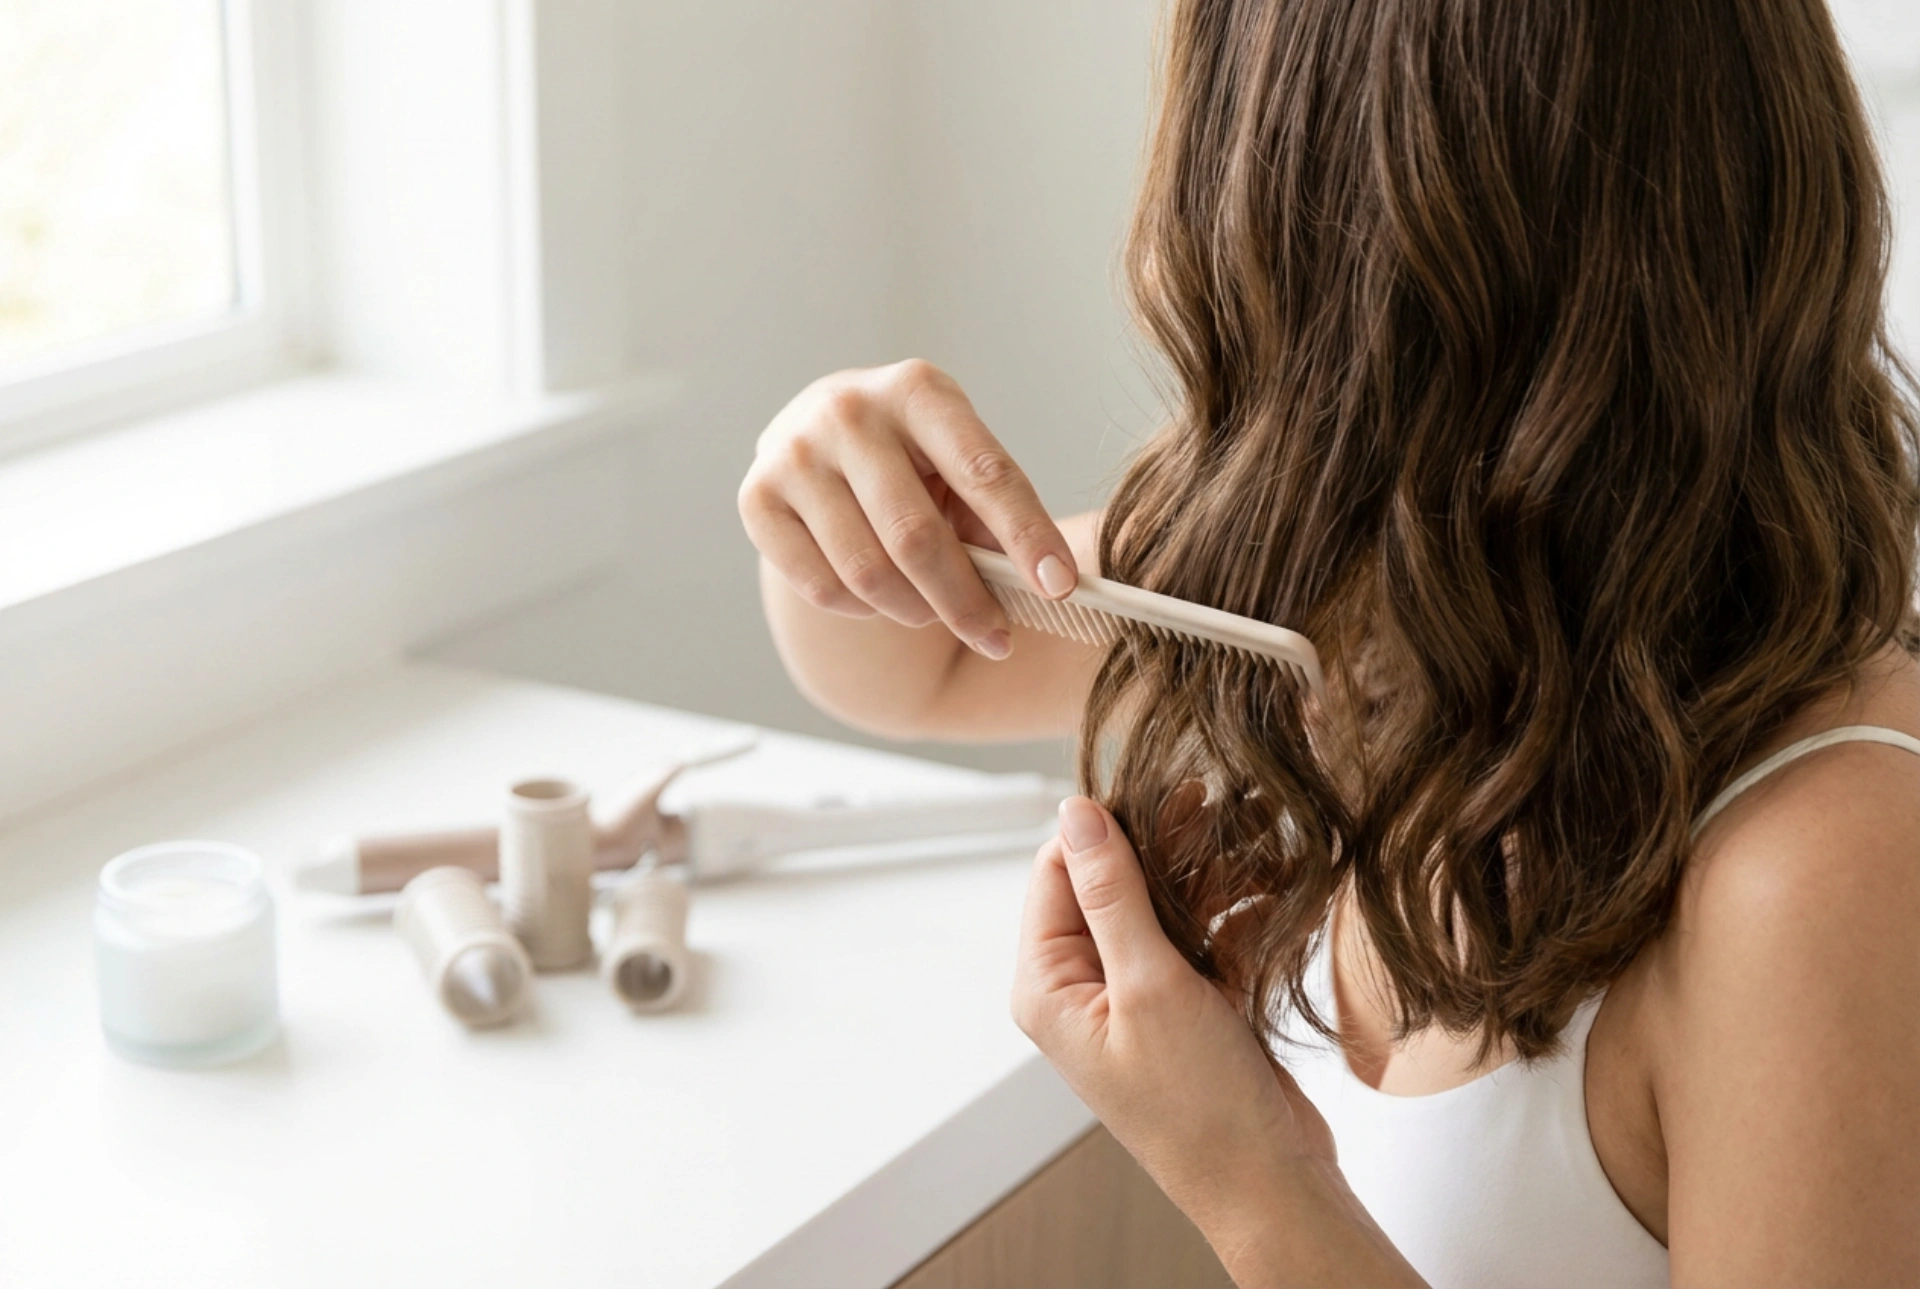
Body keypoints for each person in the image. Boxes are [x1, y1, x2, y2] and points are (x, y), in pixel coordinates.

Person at [737, 0, 1920, 1284]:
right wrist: (834, 506)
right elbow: (923, 662)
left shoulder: (1824, 867)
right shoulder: (1355, 597)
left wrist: (1253, 1182)